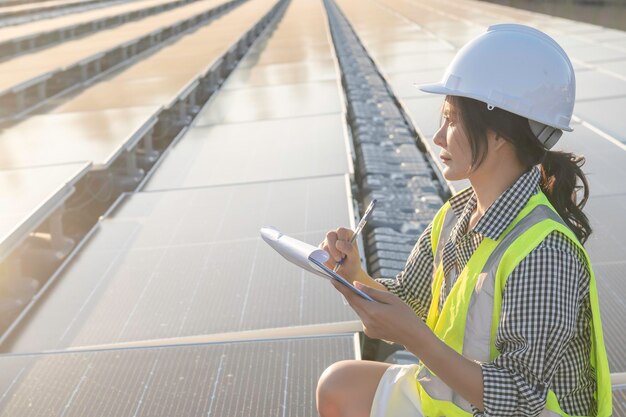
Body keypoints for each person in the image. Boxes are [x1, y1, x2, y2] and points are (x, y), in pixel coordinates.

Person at [316, 24, 612, 417]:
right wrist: (353, 275)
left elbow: (521, 401)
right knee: (338, 385)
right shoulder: (455, 214)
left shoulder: (545, 252)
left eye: (452, 120)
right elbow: (409, 303)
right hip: (455, 397)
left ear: (499, 133)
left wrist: (415, 339)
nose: (438, 136)